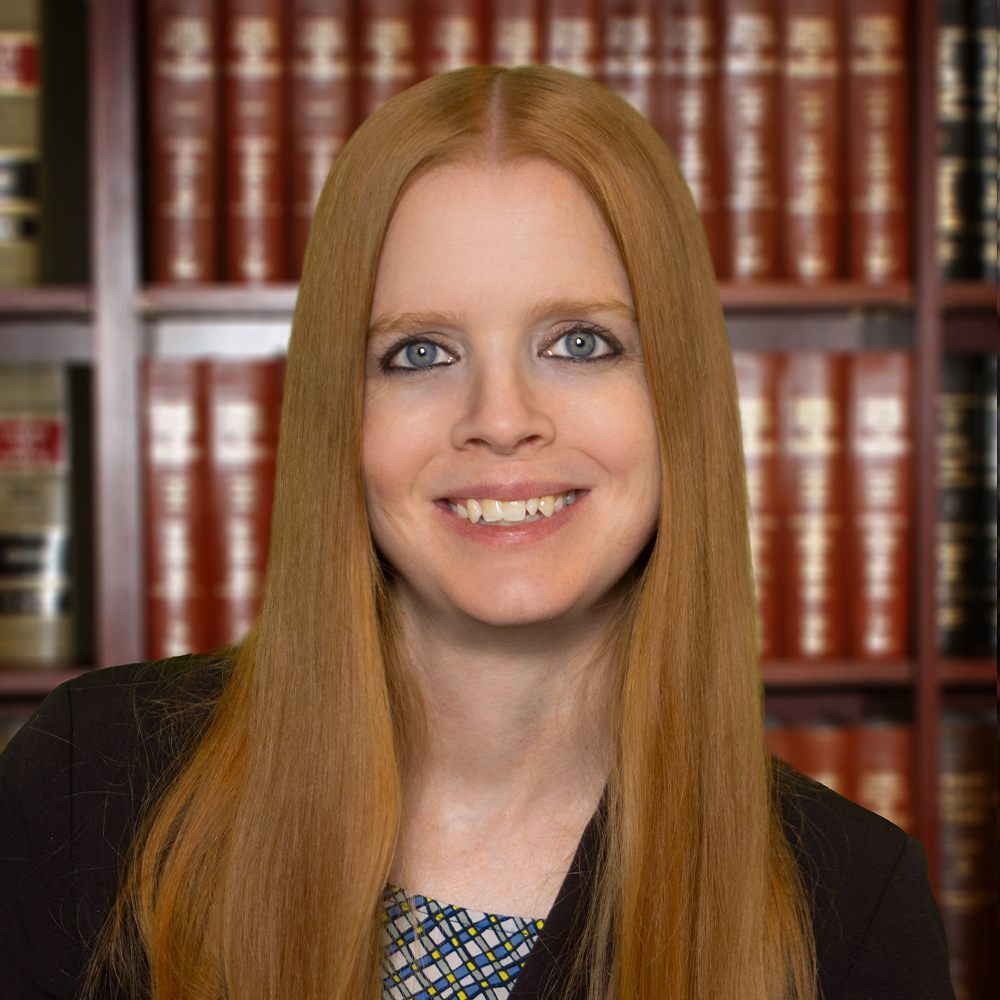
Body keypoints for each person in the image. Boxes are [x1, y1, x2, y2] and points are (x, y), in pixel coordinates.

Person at [0, 66, 953, 1000]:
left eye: (580, 343)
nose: (501, 418)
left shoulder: (856, 905)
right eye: (420, 352)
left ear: (679, 400)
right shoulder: (91, 785)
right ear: (342, 414)